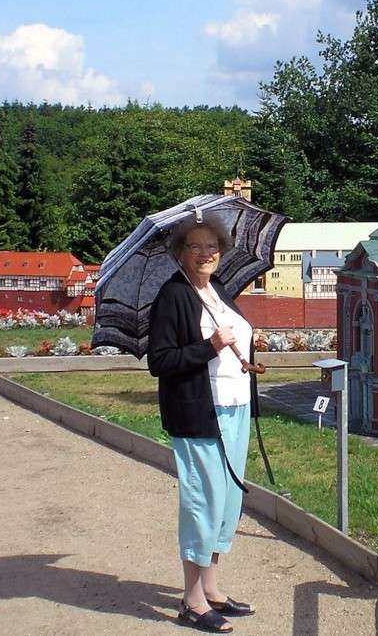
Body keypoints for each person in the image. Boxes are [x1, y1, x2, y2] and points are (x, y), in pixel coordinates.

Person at [148, 216, 257, 633]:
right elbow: (160, 362)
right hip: (197, 412)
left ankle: (211, 589)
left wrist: (244, 350)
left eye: (213, 245)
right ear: (180, 253)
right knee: (203, 501)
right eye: (196, 246)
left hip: (235, 407)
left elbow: (231, 337)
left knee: (228, 501)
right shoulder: (173, 296)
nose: (206, 252)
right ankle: (191, 601)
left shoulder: (218, 289)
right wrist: (209, 346)